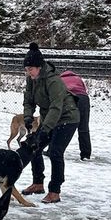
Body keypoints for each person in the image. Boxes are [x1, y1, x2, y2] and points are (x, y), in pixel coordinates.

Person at [20, 42, 79, 204]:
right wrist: (28, 117)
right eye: (26, 69)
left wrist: (45, 129)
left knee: (55, 152)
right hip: (50, 118)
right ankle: (38, 183)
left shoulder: (53, 81)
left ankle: (55, 191)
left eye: (30, 69)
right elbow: (28, 100)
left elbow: (56, 107)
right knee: (35, 147)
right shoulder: (32, 79)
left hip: (67, 118)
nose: (28, 72)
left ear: (39, 67)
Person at [60, 69, 91, 160]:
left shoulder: (60, 79)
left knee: (62, 125)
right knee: (84, 128)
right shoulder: (78, 78)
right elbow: (84, 90)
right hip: (83, 99)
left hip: (69, 98)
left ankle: (55, 150)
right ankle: (86, 154)